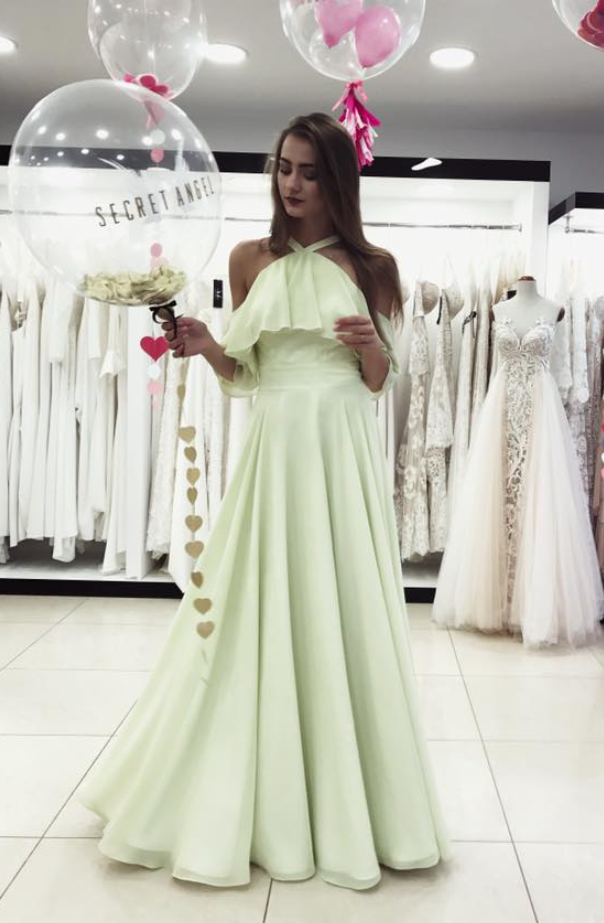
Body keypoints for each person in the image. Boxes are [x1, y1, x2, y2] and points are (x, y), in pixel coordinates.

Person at [77, 112, 450, 890]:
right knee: (251, 602)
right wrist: (210, 347)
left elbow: (379, 384)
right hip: (274, 443)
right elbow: (246, 375)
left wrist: (371, 348)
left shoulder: (374, 265)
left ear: (338, 180)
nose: (293, 184)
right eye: (284, 167)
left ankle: (352, 796)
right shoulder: (249, 259)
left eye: (310, 171)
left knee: (340, 605)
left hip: (339, 445)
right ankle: (239, 790)